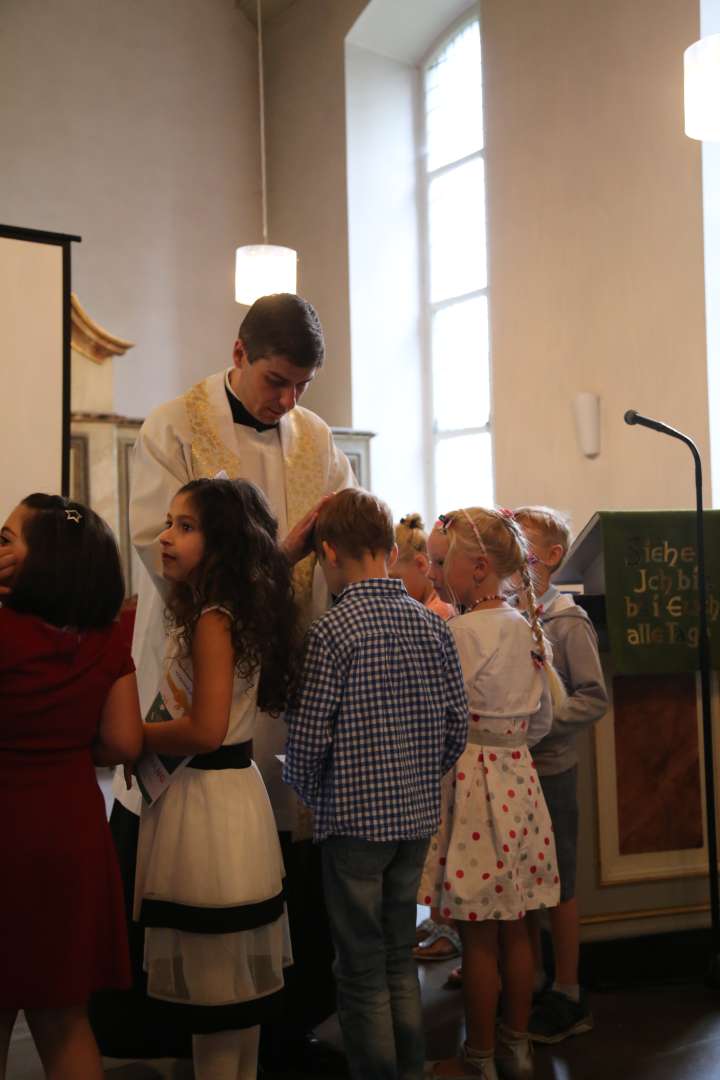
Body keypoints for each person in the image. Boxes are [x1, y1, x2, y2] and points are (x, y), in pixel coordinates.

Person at [96, 293, 354, 1067]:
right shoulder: (175, 424)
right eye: (277, 381)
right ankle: (164, 1029)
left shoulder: (317, 439)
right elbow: (156, 547)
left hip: (282, 671)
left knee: (270, 845)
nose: (289, 403)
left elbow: (330, 553)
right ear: (238, 353)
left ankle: (282, 1021)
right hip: (199, 653)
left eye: (302, 387)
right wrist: (282, 554)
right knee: (188, 843)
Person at [283, 488, 469, 1080]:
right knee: (397, 960)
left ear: (328, 553)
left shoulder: (333, 633)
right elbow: (455, 727)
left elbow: (309, 740)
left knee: (359, 968)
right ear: (391, 550)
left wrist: (316, 798)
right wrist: (417, 782)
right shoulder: (432, 626)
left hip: (353, 828)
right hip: (414, 821)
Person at [133, 478, 299, 1080]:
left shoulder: (211, 618)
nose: (166, 537)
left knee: (214, 989)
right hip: (232, 796)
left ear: (223, 541)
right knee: (233, 993)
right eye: (168, 521)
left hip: (206, 801)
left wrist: (132, 736)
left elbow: (203, 730)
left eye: (185, 526)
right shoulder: (233, 610)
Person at [0, 494, 142, 1080]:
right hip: (73, 832)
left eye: (7, 538)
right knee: (65, 1021)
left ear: (43, 559)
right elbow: (125, 743)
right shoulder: (109, 639)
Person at [421, 508, 560, 1080]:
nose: (434, 572)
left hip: (474, 787)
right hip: (520, 782)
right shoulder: (529, 630)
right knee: (520, 925)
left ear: (477, 568)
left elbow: (436, 718)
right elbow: (546, 720)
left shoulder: (456, 632)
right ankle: (517, 1046)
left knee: (478, 937)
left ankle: (478, 1058)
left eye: (441, 560)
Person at [513, 506, 607, 1044]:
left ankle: (569, 990)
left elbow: (593, 697)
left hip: (551, 769)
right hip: (512, 771)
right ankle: (532, 980)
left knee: (561, 884)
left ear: (551, 557)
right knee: (525, 883)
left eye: (522, 550)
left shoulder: (565, 621)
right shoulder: (507, 614)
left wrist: (544, 723)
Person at [390, 514, 461, 964]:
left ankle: (451, 928)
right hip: (433, 754)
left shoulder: (440, 616)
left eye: (399, 578)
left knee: (450, 844)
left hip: (444, 753)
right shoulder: (424, 611)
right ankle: (438, 917)